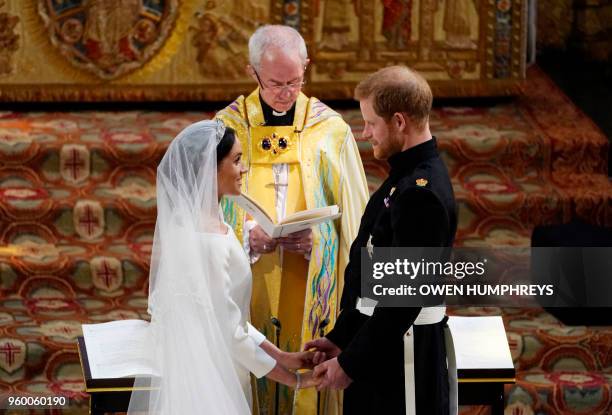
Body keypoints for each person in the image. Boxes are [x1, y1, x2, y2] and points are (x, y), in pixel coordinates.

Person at [215, 25, 369, 414]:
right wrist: (245, 238)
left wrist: (322, 242)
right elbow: (204, 208)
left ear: (307, 67)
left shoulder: (330, 130)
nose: (286, 92)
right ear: (252, 74)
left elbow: (355, 219)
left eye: (295, 81)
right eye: (275, 83)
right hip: (252, 277)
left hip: (312, 278)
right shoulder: (227, 127)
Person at [127, 120, 319, 414]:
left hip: (219, 366)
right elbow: (230, 335)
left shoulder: (209, 224)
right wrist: (293, 380)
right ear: (210, 169)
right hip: (210, 379)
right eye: (237, 160)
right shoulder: (205, 240)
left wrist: (282, 355)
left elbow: (231, 317)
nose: (244, 170)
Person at [305, 66, 458, 414]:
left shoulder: (421, 194)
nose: (366, 133)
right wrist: (341, 337)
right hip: (382, 349)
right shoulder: (404, 178)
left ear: (399, 122)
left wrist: (350, 364)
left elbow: (402, 301)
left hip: (404, 360)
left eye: (371, 123)